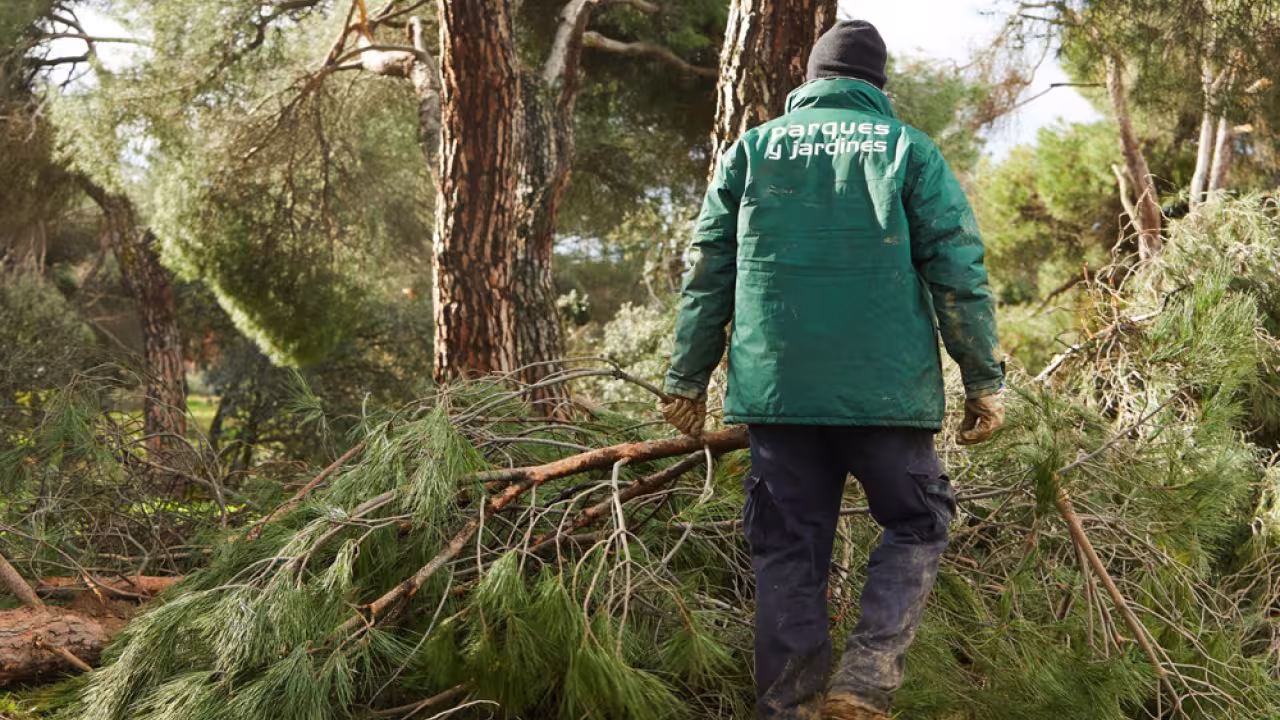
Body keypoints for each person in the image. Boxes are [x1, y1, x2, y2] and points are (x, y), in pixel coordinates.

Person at [657, 19, 1006, 720]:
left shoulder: (752, 149)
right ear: (878, 86)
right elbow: (958, 270)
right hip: (885, 395)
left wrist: (686, 380)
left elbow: (708, 274)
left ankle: (790, 708)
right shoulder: (909, 149)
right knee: (918, 521)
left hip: (779, 396)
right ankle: (866, 680)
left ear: (810, 81)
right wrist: (983, 379)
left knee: (788, 549)